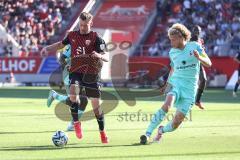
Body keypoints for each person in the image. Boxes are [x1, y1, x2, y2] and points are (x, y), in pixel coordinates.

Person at [40, 12, 109, 143]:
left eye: (85, 25)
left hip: (91, 74)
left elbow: (106, 57)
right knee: (73, 96)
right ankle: (76, 123)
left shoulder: (96, 38)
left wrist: (99, 56)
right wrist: (47, 48)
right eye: (81, 25)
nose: (82, 27)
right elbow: (61, 44)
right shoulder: (72, 35)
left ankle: (102, 132)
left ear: (91, 23)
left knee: (96, 106)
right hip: (76, 71)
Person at [140, 23, 212, 145]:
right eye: (170, 39)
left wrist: (199, 57)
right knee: (167, 105)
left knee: (175, 124)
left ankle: (161, 130)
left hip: (190, 90)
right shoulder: (172, 52)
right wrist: (166, 85)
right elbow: (173, 70)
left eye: (173, 40)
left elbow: (209, 63)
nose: (171, 42)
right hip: (176, 84)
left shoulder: (195, 46)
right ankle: (147, 133)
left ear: (181, 38)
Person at [191, 25, 207, 109]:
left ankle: (197, 101)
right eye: (196, 31)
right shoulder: (189, 40)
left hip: (198, 62)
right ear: (193, 31)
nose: (197, 32)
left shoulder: (200, 41)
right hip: (190, 63)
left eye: (199, 31)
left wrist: (203, 48)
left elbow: (202, 51)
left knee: (203, 80)